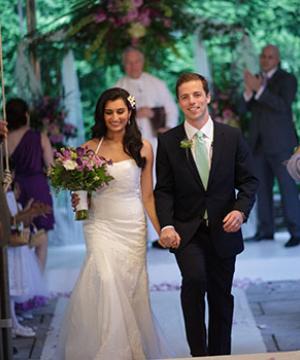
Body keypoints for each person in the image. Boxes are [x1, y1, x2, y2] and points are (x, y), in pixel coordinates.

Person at [56, 88, 169, 360]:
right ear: (101, 114)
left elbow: (148, 196)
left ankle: (132, 351)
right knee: (105, 279)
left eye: (120, 111)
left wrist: (163, 229)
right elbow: (82, 194)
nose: (115, 117)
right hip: (100, 224)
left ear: (129, 113)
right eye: (109, 112)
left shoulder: (143, 147)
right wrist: (78, 198)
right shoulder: (87, 149)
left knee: (131, 289)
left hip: (132, 225)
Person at [154, 72, 258, 357]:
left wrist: (240, 210)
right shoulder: (168, 141)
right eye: (185, 96)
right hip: (187, 232)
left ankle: (219, 354)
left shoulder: (232, 136)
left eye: (197, 94)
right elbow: (163, 190)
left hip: (224, 230)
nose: (192, 101)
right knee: (195, 280)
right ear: (179, 101)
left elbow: (249, 181)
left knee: (221, 296)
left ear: (207, 97)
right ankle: (199, 354)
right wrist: (166, 226)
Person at [115, 46, 178, 247]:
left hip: (156, 144)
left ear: (142, 62)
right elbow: (111, 114)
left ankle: (161, 232)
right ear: (124, 64)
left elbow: (171, 109)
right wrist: (134, 114)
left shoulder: (156, 84)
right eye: (129, 62)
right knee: (133, 186)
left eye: (137, 61)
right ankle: (138, 234)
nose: (133, 66)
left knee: (158, 185)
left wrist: (165, 125)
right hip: (129, 145)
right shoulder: (118, 87)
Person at [239, 44, 300, 248]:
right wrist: (249, 92)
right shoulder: (256, 79)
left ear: (278, 59)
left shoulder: (288, 79)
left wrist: (259, 90)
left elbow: (282, 106)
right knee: (261, 190)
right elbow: (242, 109)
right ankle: (266, 231)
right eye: (263, 56)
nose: (266, 60)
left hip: (282, 145)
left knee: (288, 189)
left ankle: (297, 232)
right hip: (257, 146)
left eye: (270, 57)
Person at [6, 98, 55, 271]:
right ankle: (39, 286)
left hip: (17, 190)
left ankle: (25, 281)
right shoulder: (39, 137)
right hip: (38, 187)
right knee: (41, 238)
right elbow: (51, 169)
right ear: (26, 115)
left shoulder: (5, 142)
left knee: (21, 235)